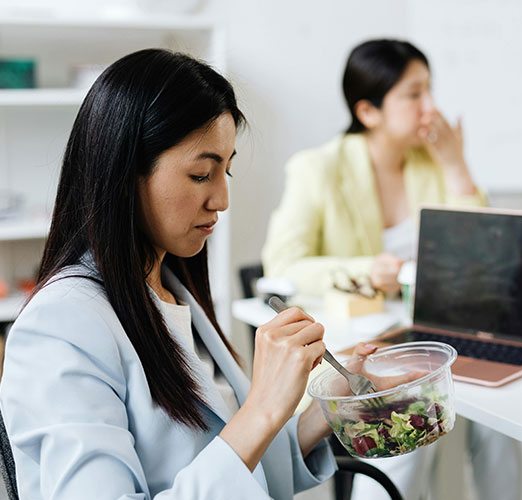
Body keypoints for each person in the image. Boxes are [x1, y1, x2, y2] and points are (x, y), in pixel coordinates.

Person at [0, 48, 350, 499]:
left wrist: (335, 404)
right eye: (202, 174)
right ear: (125, 173)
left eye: (226, 171)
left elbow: (239, 465)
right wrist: (262, 408)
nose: (222, 199)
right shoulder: (63, 325)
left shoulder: (171, 292)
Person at [262, 39, 522, 500]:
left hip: (431, 332)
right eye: (414, 94)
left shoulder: (431, 163)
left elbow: (484, 253)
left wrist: (454, 162)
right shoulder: (317, 168)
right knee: (406, 419)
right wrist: (368, 270)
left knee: (504, 418)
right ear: (368, 111)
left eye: (430, 91)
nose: (431, 108)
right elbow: (282, 264)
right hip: (361, 344)